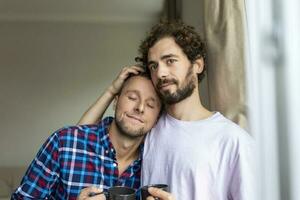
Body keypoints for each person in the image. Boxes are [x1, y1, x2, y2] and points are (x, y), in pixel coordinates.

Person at [78, 21, 256, 200]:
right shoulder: (149, 125)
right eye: (154, 66)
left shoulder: (234, 141)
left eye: (170, 61)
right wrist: (111, 91)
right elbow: (80, 142)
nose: (161, 73)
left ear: (197, 65)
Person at [11, 70, 166, 200]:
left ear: (157, 118)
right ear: (115, 101)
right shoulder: (64, 143)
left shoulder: (156, 166)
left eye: (151, 105)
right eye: (132, 97)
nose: (140, 107)